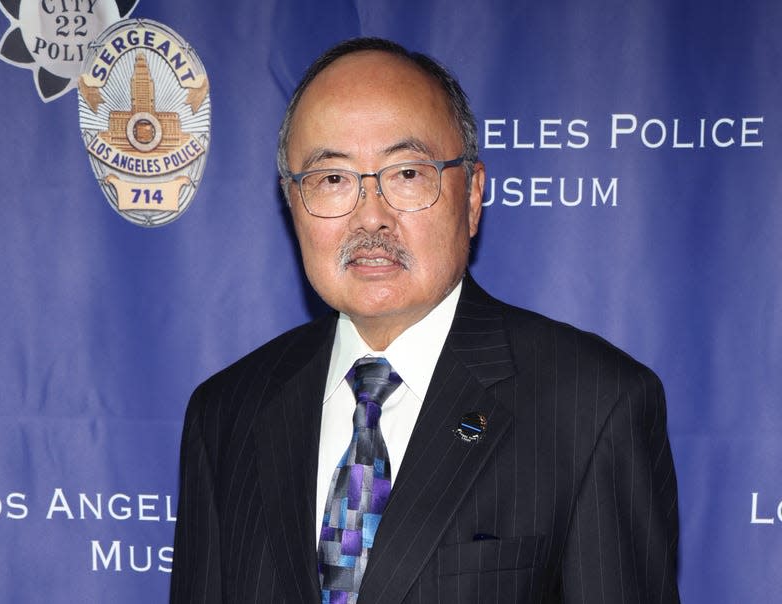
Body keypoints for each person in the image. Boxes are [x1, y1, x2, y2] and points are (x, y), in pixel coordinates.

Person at [170, 37, 680, 603]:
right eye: (333, 178)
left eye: (407, 173)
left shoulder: (593, 406)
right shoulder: (226, 412)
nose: (371, 216)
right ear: (292, 202)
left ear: (473, 196)